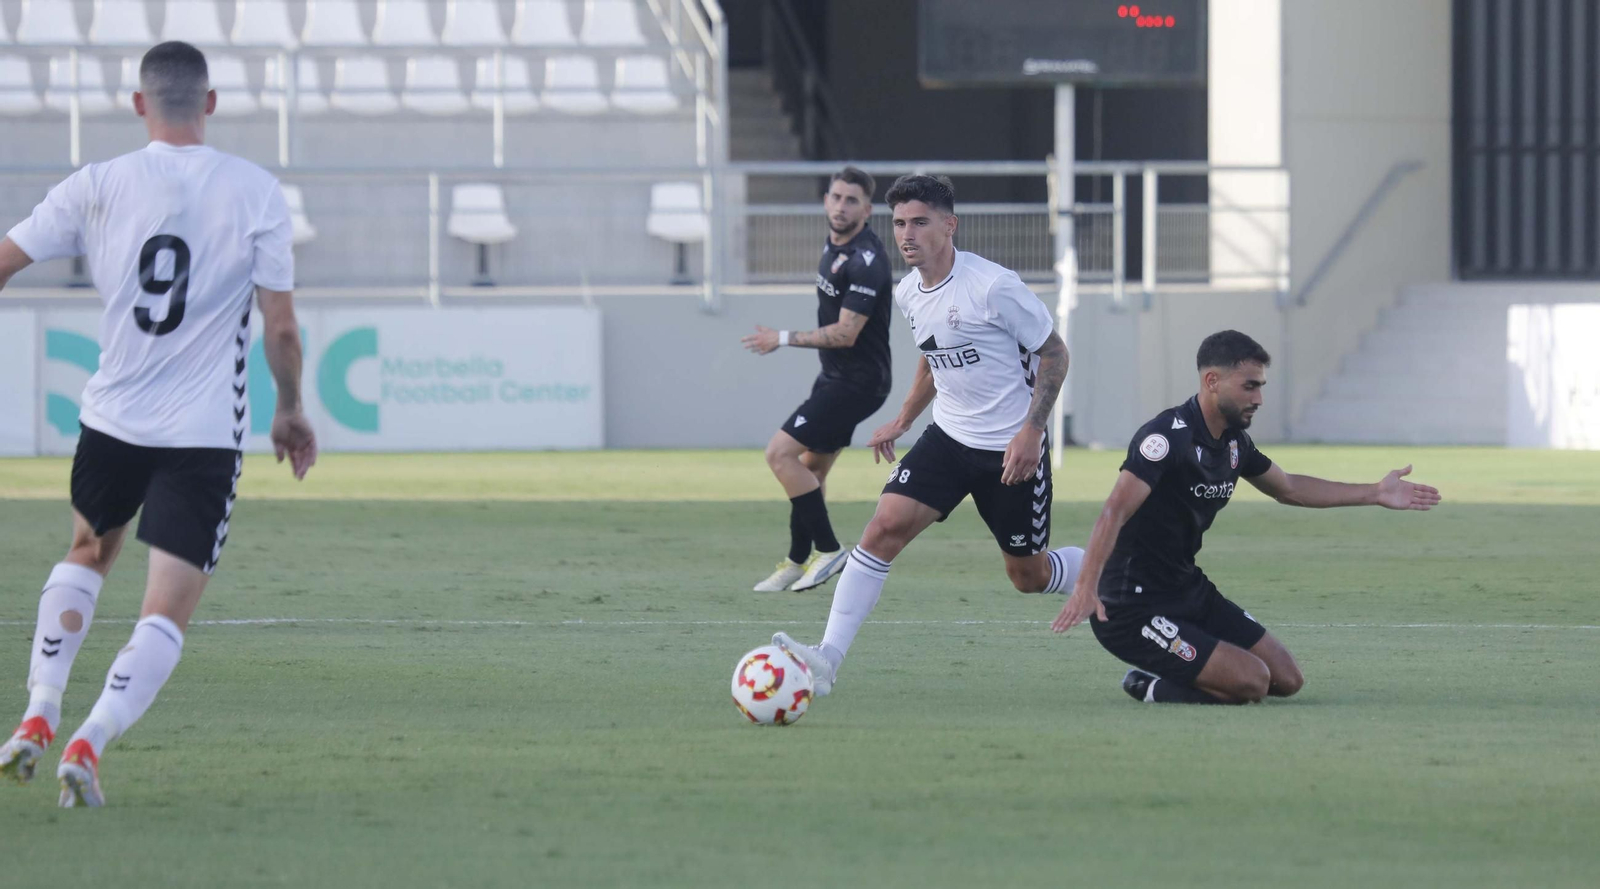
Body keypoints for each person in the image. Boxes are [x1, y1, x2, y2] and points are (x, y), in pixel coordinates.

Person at [0, 41, 316, 806]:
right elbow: (279, 328)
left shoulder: (98, 183)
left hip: (112, 418)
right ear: (209, 103)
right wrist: (290, 407)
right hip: (202, 432)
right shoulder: (255, 190)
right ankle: (90, 738)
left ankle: (39, 707)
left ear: (139, 103)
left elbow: (5, 261)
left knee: (86, 550)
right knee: (165, 606)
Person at [772, 174, 1084, 696]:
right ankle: (825, 660)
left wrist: (1033, 432)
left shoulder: (993, 286)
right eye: (898, 223)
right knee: (881, 529)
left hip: (1011, 449)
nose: (906, 233)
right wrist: (905, 418)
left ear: (949, 225)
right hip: (949, 439)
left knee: (1027, 576)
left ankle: (1109, 570)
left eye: (919, 221)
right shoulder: (909, 291)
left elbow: (1055, 354)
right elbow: (933, 354)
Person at [1051, 330, 1441, 704]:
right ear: (1212, 381)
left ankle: (1189, 673)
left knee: (1287, 679)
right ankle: (1152, 689)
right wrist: (1086, 586)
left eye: (1261, 386)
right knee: (1252, 681)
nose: (1258, 398)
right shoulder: (1168, 438)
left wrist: (1374, 492)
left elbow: (1288, 487)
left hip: (1186, 588)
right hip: (1130, 605)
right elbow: (1113, 511)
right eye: (1249, 386)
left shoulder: (1234, 441)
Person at [741, 167, 894, 592]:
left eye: (851, 200)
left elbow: (846, 334)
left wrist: (782, 339)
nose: (841, 206)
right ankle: (796, 561)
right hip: (836, 378)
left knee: (779, 454)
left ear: (866, 209)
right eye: (835, 197)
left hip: (858, 384)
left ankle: (829, 550)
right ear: (826, 199)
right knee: (812, 469)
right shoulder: (834, 243)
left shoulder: (868, 261)